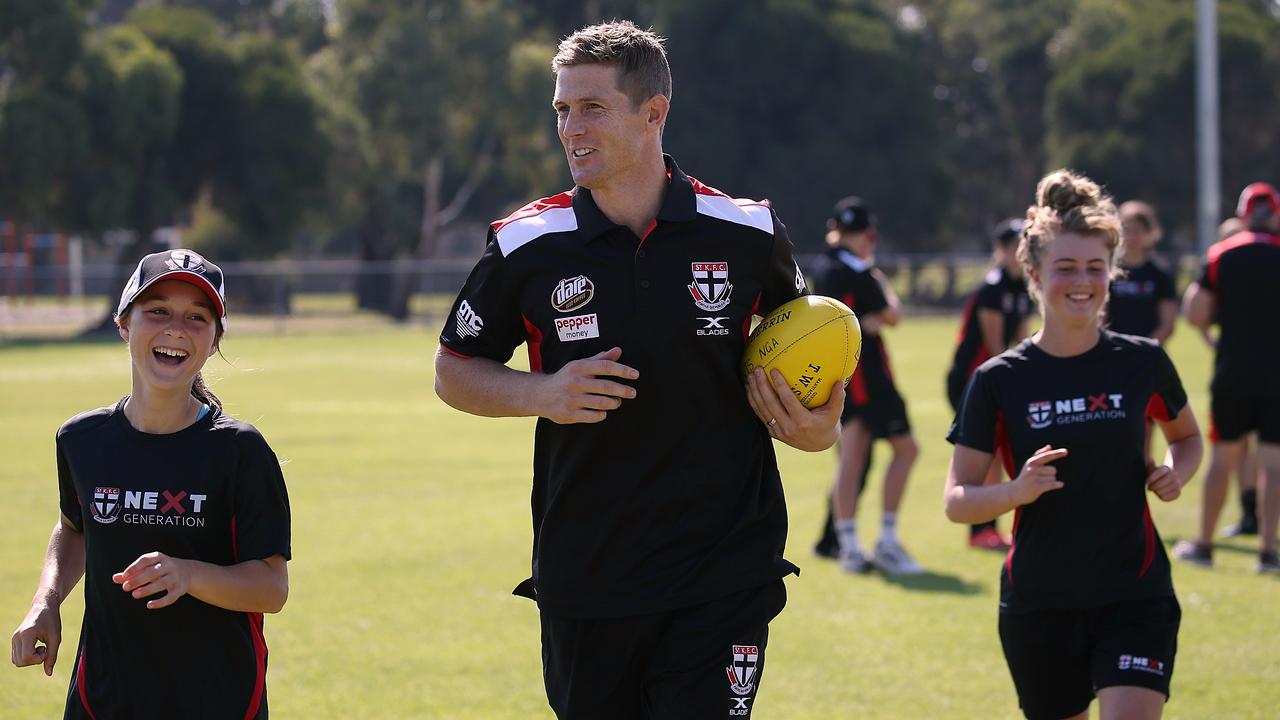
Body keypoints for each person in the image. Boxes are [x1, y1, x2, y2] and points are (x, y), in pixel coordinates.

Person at [433, 21, 841, 718]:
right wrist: (545, 392)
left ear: (654, 113)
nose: (571, 128)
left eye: (592, 107)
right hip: (588, 571)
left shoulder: (747, 234)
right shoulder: (527, 243)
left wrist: (816, 424)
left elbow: (810, 370)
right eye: (562, 109)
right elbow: (453, 370)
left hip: (723, 567)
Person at [945, 169, 1203, 720]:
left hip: (1136, 594)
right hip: (1040, 602)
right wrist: (1017, 489)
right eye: (1065, 268)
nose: (1082, 281)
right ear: (1034, 274)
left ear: (1111, 272)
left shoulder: (1142, 361)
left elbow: (1187, 437)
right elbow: (958, 499)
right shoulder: (998, 379)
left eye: (1095, 267)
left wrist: (1176, 472)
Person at [9, 249, 292, 718]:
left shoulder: (240, 451)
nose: (176, 328)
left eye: (196, 317)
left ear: (215, 339)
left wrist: (189, 575)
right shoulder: (81, 440)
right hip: (102, 698)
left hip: (218, 700)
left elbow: (271, 588)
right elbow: (75, 528)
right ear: (124, 323)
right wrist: (47, 599)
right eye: (157, 310)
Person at [809, 197, 923, 576]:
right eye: (866, 236)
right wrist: (880, 289)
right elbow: (892, 315)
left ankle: (849, 544)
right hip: (866, 374)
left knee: (852, 458)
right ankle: (883, 541)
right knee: (902, 451)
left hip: (839, 369)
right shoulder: (858, 271)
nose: (867, 242)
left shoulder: (824, 266)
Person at [1175, 181, 1280, 573]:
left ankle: (1204, 544)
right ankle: (1268, 552)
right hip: (1277, 374)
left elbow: (1195, 312)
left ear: (1242, 215)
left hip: (1233, 370)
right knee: (1274, 463)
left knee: (1223, 458)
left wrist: (1222, 316)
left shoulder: (1222, 253)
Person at [946, 217, 1033, 550]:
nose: (1019, 252)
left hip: (995, 380)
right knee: (985, 452)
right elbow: (997, 347)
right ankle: (980, 529)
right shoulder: (993, 287)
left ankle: (989, 527)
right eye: (1013, 246)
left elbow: (1021, 339)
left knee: (998, 451)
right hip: (972, 380)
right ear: (1000, 250)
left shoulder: (1020, 285)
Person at [1105, 201, 1178, 343]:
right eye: (1126, 230)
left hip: (1148, 352)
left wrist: (1145, 348)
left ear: (1149, 233)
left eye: (1137, 231)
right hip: (1114, 350)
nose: (1131, 237)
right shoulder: (1108, 272)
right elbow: (1100, 319)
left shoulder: (1160, 274)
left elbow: (1167, 324)